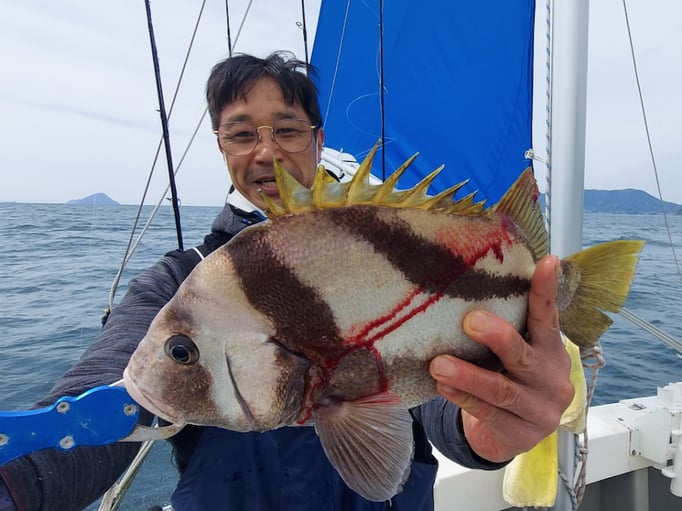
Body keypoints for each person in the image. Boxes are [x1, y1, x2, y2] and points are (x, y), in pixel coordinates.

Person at [0, 52, 574, 510]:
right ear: (222, 148)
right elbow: (100, 398)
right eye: (241, 134)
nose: (266, 152)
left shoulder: (380, 241)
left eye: (288, 130)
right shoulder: (180, 281)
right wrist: (19, 479)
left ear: (318, 140)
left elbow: (434, 399)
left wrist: (485, 427)